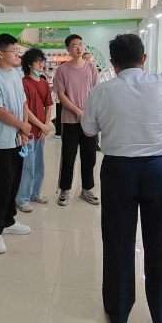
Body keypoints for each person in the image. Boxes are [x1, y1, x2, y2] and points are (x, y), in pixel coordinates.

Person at [80, 34, 162, 323]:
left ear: (113, 63)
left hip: (118, 170)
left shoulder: (101, 91)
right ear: (144, 58)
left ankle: (118, 313)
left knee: (117, 242)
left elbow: (88, 130)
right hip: (160, 170)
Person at [0, 34, 31, 254]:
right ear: (1, 53)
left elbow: (23, 102)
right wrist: (21, 125)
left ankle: (8, 220)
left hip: (16, 139)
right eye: (14, 51)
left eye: (18, 50)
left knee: (13, 182)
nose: (17, 54)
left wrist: (23, 129)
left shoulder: (16, 74)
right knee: (0, 185)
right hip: (1, 140)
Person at [54, 34, 99, 206]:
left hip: (89, 121)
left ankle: (87, 189)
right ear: (68, 49)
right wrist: (77, 111)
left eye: (81, 44)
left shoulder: (91, 68)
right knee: (68, 156)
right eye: (74, 45)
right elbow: (61, 94)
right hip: (70, 121)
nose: (79, 48)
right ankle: (65, 189)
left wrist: (88, 113)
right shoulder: (62, 69)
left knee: (89, 156)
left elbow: (96, 92)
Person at [15, 48, 53, 212]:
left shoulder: (43, 83)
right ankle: (22, 198)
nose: (41, 64)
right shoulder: (23, 83)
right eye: (38, 61)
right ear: (30, 64)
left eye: (43, 61)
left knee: (39, 164)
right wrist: (41, 125)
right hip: (29, 130)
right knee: (27, 165)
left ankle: (35, 193)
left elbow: (49, 105)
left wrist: (46, 125)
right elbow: (25, 109)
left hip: (41, 132)